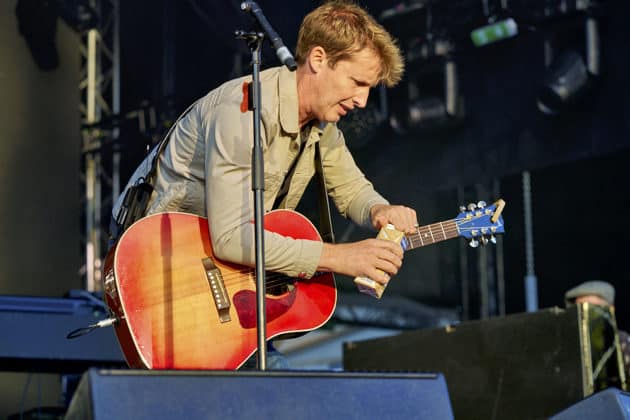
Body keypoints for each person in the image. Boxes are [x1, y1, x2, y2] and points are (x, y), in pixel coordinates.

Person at [111, 1, 417, 368]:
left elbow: (352, 189)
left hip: (226, 289)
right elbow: (233, 239)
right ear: (318, 59)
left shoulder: (322, 127)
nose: (363, 100)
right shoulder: (242, 113)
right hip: (169, 281)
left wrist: (379, 209)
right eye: (357, 82)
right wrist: (340, 258)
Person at [565, 280, 630, 381]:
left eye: (592, 309)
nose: (586, 315)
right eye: (579, 309)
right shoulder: (567, 346)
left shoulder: (623, 342)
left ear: (610, 309)